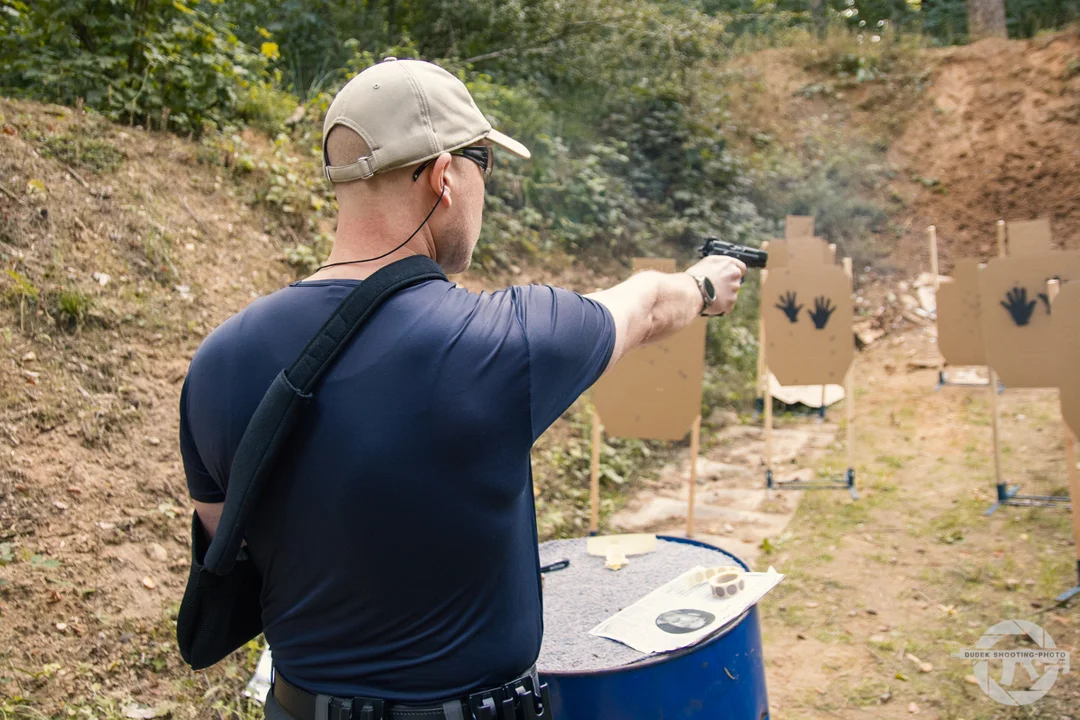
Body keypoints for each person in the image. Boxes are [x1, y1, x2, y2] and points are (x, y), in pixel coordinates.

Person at [179, 58, 745, 720]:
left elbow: (231, 537)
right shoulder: (501, 342)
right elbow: (647, 305)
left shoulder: (218, 360)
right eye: (483, 163)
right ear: (444, 176)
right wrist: (705, 286)